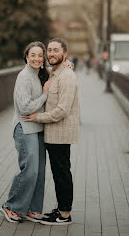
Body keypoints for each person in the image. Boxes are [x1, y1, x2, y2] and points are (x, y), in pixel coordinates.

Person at [22, 38, 79, 226]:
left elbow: (62, 110)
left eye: (56, 50)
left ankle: (64, 215)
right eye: (50, 51)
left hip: (61, 134)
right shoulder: (54, 73)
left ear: (65, 54)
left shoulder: (67, 77)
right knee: (58, 173)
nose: (51, 54)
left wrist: (38, 117)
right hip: (52, 135)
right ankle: (61, 209)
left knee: (62, 173)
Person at [0, 41, 51, 223]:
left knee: (39, 172)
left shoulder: (41, 74)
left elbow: (61, 69)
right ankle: (11, 206)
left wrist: (69, 64)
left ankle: (33, 209)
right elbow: (24, 107)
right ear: (27, 57)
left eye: (40, 55)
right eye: (33, 55)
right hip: (25, 127)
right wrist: (44, 95)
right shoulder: (25, 76)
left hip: (38, 127)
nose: (37, 58)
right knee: (30, 170)